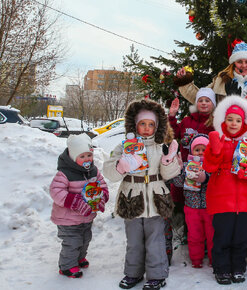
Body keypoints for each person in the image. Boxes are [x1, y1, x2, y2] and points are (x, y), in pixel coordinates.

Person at [103, 99, 181, 290]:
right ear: (135, 125)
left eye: (151, 124)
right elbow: (109, 173)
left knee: (156, 240)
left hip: (156, 197)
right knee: (134, 241)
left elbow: (169, 174)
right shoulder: (124, 146)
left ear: (157, 126)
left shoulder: (161, 145)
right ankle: (133, 273)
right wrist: (122, 165)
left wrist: (169, 160)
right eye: (142, 124)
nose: (147, 128)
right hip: (132, 197)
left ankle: (157, 275)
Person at [203, 95, 247, 285]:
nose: (234, 124)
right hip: (222, 201)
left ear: (244, 123)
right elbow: (208, 167)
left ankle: (238, 268)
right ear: (223, 121)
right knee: (222, 237)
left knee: (241, 238)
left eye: (238, 120)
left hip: (246, 202)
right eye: (230, 119)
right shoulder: (218, 141)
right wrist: (214, 150)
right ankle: (222, 269)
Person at [49, 133, 109, 278]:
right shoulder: (64, 173)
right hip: (68, 219)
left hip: (86, 217)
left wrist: (102, 196)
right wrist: (75, 202)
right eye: (82, 156)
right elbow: (55, 191)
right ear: (72, 157)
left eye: (89, 155)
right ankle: (67, 266)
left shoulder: (93, 171)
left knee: (85, 238)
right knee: (72, 241)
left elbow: (103, 185)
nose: (87, 159)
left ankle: (79, 258)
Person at [170, 134, 214, 268]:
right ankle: (196, 259)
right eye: (197, 150)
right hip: (191, 208)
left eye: (204, 150)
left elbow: (217, 182)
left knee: (212, 236)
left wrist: (206, 177)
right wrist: (177, 169)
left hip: (210, 208)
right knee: (195, 236)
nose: (200, 153)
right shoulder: (187, 166)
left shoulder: (212, 166)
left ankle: (214, 259)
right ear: (191, 152)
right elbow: (177, 183)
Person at [174, 40, 247, 104]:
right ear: (233, 64)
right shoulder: (220, 81)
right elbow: (200, 98)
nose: (244, 66)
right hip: (221, 126)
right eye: (240, 62)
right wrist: (184, 81)